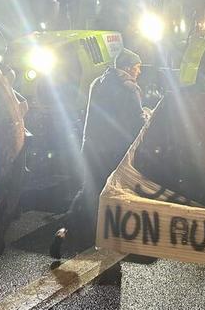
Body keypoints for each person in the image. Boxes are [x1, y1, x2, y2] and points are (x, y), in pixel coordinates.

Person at [50, 48, 148, 259]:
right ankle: (110, 237)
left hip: (91, 147)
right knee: (115, 194)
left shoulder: (98, 83)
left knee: (90, 190)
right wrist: (148, 117)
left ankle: (66, 231)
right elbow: (137, 121)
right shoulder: (129, 87)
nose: (139, 72)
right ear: (129, 67)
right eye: (138, 68)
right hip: (114, 151)